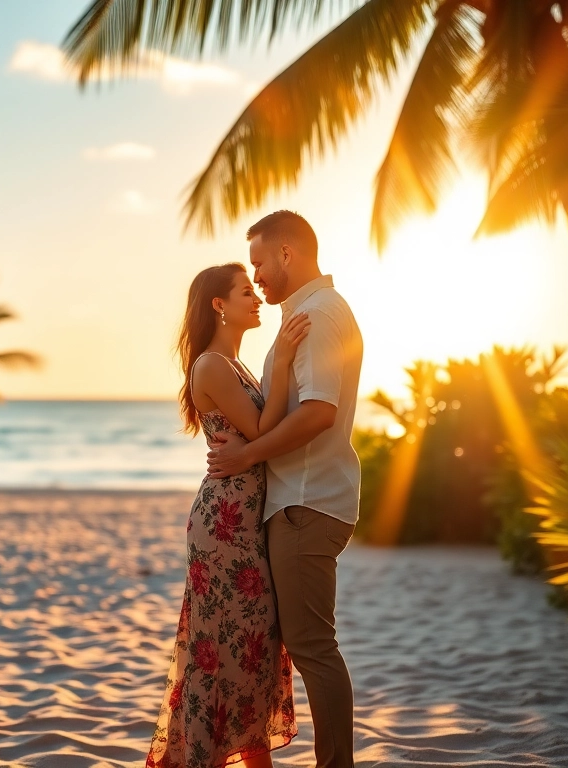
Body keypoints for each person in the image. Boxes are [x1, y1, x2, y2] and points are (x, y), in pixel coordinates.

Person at [206, 211, 364, 768]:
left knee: (313, 648)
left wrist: (246, 455)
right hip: (300, 500)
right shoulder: (304, 315)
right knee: (301, 646)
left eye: (259, 263)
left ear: (288, 253)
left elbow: (319, 413)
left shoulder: (319, 315)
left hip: (306, 500)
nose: (259, 277)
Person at [145, 261, 311, 768]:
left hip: (242, 521)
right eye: (245, 291)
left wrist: (276, 363)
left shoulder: (235, 364)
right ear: (219, 304)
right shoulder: (212, 365)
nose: (256, 296)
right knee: (226, 652)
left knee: (251, 650)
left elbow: (264, 430)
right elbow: (263, 429)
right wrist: (281, 359)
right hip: (223, 525)